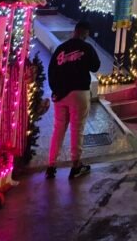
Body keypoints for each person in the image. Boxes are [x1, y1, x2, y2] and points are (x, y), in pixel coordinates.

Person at [46, 20, 101, 180]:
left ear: (74, 31)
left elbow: (51, 71)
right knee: (77, 130)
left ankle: (51, 165)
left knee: (58, 129)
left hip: (61, 95)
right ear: (85, 33)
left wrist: (56, 91)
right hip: (79, 93)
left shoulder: (61, 49)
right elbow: (95, 66)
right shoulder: (86, 47)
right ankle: (76, 166)